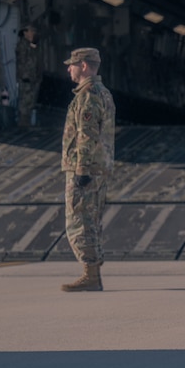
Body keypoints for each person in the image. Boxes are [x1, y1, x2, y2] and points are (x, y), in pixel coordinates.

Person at [60, 47, 116, 292]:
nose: (68, 68)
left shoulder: (88, 95)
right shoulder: (102, 93)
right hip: (98, 168)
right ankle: (92, 272)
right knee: (91, 220)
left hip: (86, 168)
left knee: (79, 220)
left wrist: (81, 168)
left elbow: (87, 135)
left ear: (84, 66)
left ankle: (90, 274)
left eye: (72, 64)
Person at [16, 24, 40, 128]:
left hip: (32, 77)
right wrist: (25, 75)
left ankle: (27, 122)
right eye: (31, 31)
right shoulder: (22, 45)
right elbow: (22, 62)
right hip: (26, 77)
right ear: (25, 32)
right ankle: (23, 121)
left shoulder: (31, 45)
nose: (33, 33)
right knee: (25, 99)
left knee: (30, 99)